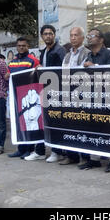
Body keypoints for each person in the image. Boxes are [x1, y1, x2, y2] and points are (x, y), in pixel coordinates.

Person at [78, 28, 110, 170]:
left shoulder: (109, 54)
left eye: (93, 35)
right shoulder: (89, 56)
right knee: (94, 128)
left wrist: (95, 67)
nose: (89, 37)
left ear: (101, 40)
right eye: (88, 35)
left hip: (108, 97)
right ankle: (94, 159)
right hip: (93, 97)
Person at [25, 24, 66, 162]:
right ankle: (40, 151)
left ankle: (57, 152)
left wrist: (44, 70)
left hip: (57, 91)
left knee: (55, 122)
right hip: (44, 91)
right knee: (43, 122)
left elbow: (62, 71)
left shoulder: (60, 51)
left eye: (50, 33)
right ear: (42, 36)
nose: (48, 36)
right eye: (45, 34)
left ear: (54, 35)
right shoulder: (43, 52)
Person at [59, 27, 91, 166]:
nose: (73, 38)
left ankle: (85, 157)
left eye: (76, 35)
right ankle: (71, 156)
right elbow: (63, 72)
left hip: (82, 94)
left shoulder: (87, 53)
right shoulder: (67, 55)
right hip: (68, 94)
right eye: (71, 35)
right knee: (69, 125)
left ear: (82, 38)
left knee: (82, 125)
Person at [7, 37, 41, 159]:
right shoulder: (12, 62)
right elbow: (8, 75)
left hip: (29, 98)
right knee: (18, 123)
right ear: (16, 47)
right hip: (16, 98)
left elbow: (39, 73)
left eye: (24, 45)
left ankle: (29, 149)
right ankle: (20, 149)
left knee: (29, 122)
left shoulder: (33, 60)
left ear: (28, 47)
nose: (21, 47)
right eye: (19, 45)